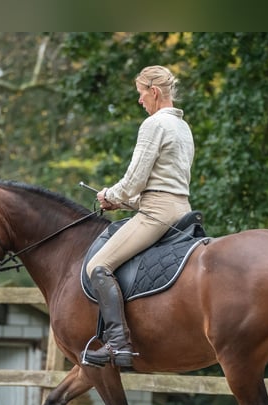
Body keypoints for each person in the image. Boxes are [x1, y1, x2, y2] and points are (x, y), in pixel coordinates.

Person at [82, 65, 195, 368]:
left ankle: (117, 345)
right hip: (181, 210)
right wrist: (122, 202)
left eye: (141, 94)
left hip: (157, 214)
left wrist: (109, 196)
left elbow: (134, 182)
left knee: (98, 265)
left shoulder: (154, 125)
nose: (140, 101)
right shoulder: (183, 127)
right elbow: (163, 185)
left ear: (154, 92)